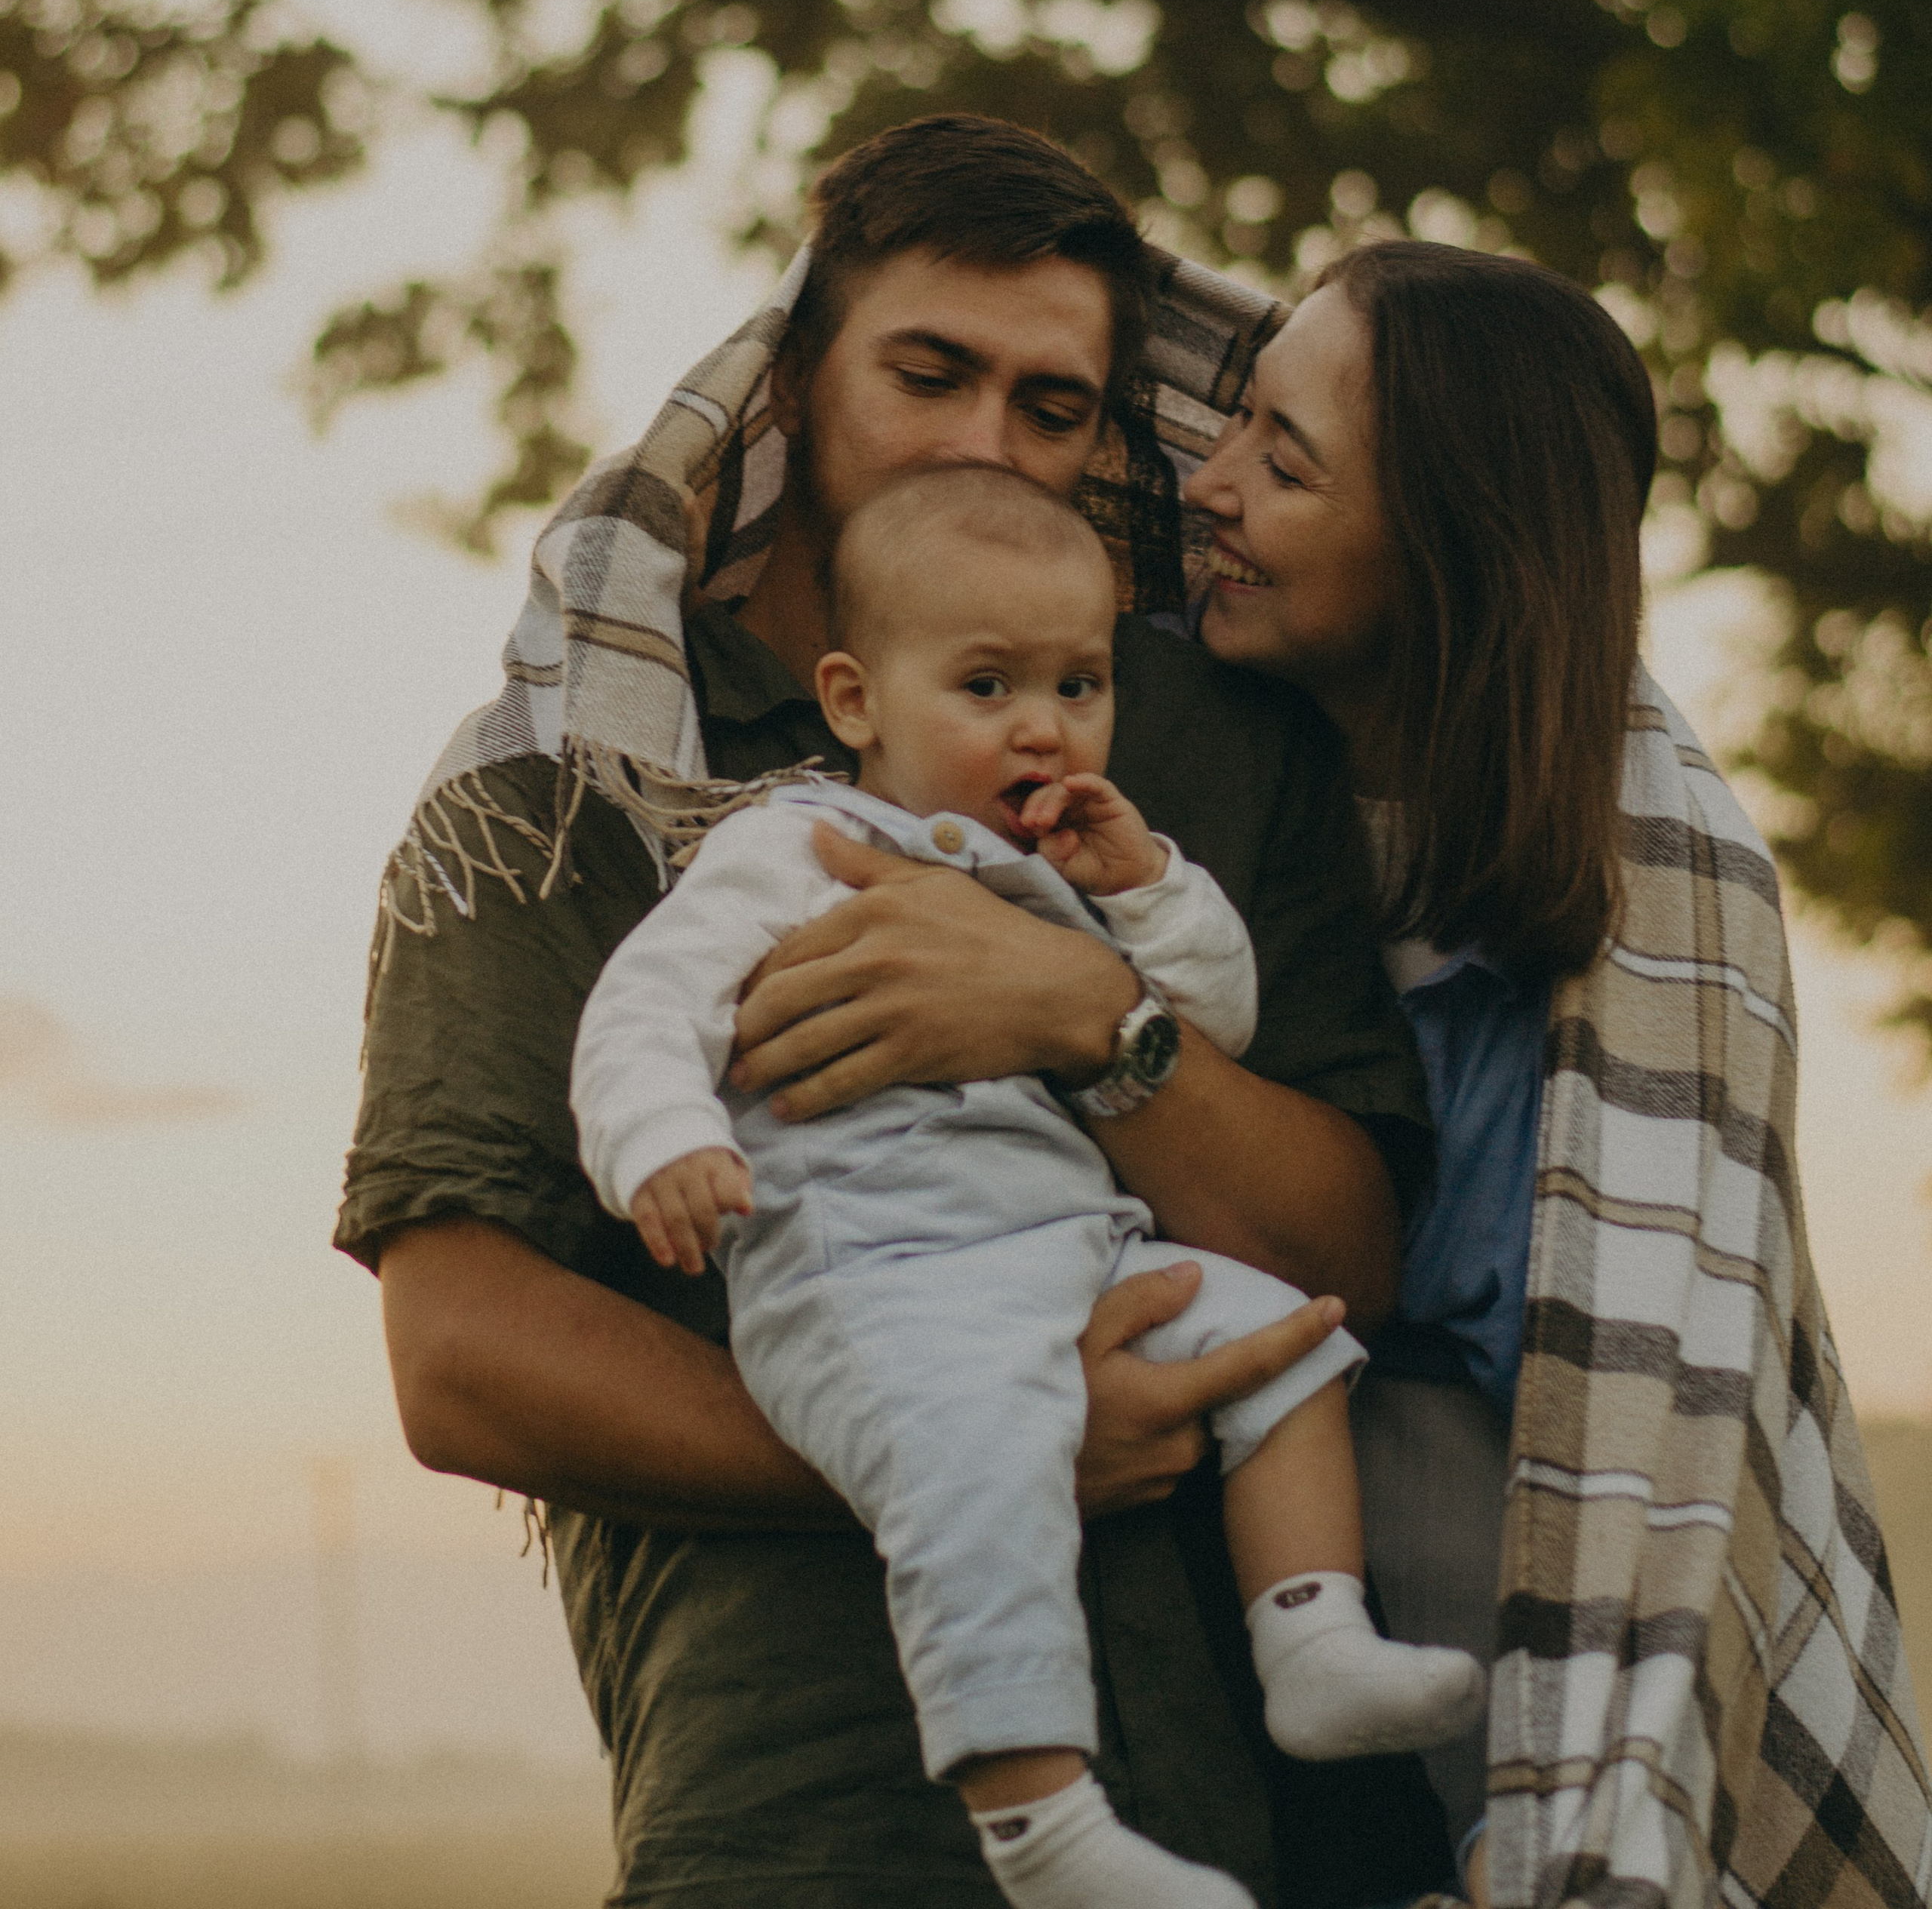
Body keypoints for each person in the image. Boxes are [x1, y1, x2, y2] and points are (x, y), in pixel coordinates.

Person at [336, 117, 1441, 1909]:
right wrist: (974, 1440)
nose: (984, 445)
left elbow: (1353, 1260)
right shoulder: (566, 794)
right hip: (818, 1821)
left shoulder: (1203, 756)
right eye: (926, 374)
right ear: (789, 378)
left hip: (1272, 1825)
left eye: (1053, 407)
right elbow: (458, 1354)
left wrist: (1092, 1016)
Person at [571, 466, 1483, 1909]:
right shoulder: (786, 852)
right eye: (986, 684)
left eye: (1080, 683)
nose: (1043, 725)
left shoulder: (1054, 871)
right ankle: (1043, 1825)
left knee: (1282, 1343)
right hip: (878, 1281)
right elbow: (640, 1013)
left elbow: (1215, 1022)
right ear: (858, 702)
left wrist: (1149, 892)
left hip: (1071, 1253)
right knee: (983, 1474)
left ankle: (1310, 1635)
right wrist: (664, 1141)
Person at [1185, 237, 1932, 1909]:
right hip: (1247, 1595)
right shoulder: (1188, 797)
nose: (1207, 482)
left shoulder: (1654, 898)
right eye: (1232, 421)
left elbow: (1641, 1458)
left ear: (1439, 550)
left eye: (1282, 464)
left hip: (1503, 1591)